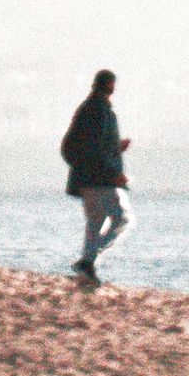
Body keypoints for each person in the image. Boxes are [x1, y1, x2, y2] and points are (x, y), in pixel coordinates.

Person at [61, 68, 132, 281]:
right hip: (100, 179)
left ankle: (87, 267)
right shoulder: (100, 110)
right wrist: (113, 173)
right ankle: (87, 260)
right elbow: (97, 148)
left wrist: (116, 148)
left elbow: (91, 145)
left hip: (86, 179)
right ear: (110, 86)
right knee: (121, 219)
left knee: (94, 222)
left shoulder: (87, 108)